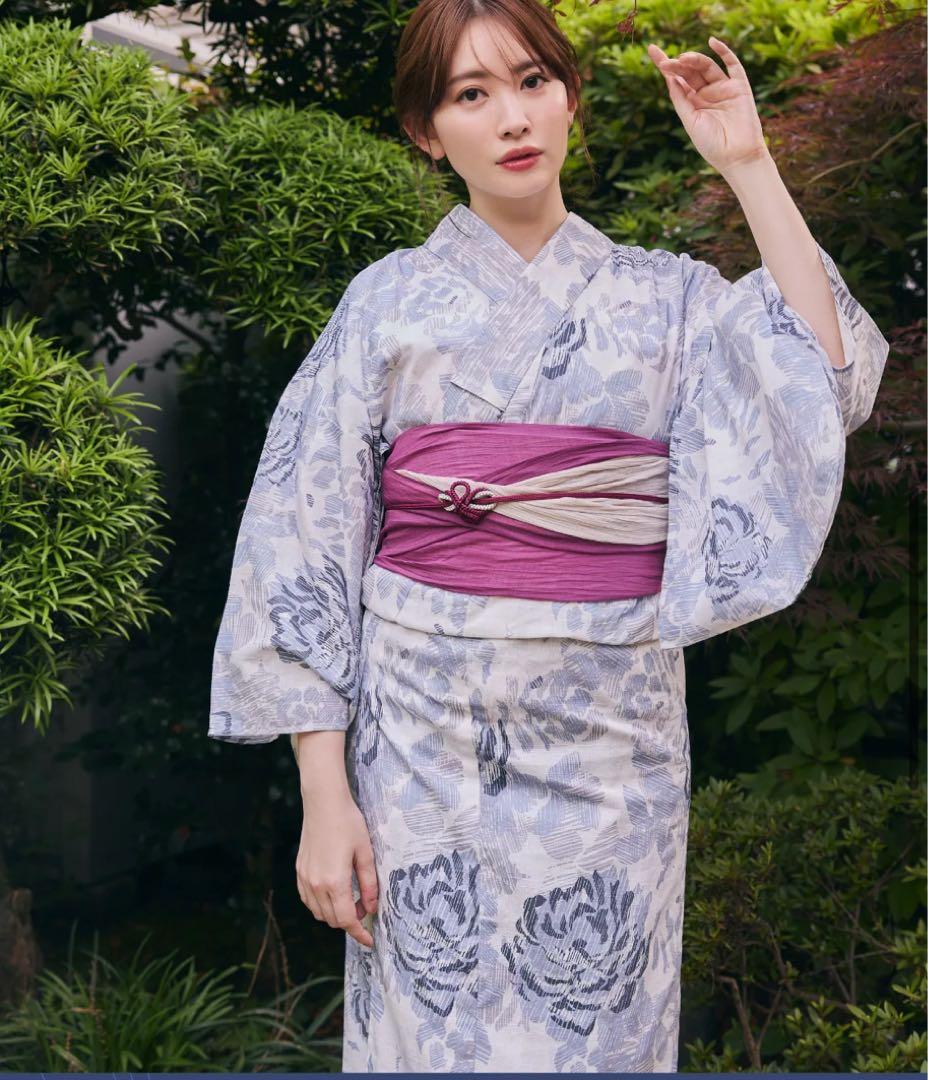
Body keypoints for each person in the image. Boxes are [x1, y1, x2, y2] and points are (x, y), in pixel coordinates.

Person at [208, 0, 890, 1071]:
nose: (512, 117)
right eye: (471, 94)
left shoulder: (667, 300)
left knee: (600, 1036)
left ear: (572, 98)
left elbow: (825, 382)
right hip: (418, 743)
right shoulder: (387, 302)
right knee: (430, 1037)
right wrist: (323, 796)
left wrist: (749, 164)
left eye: (532, 82)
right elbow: (302, 542)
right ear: (428, 133)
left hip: (611, 740)